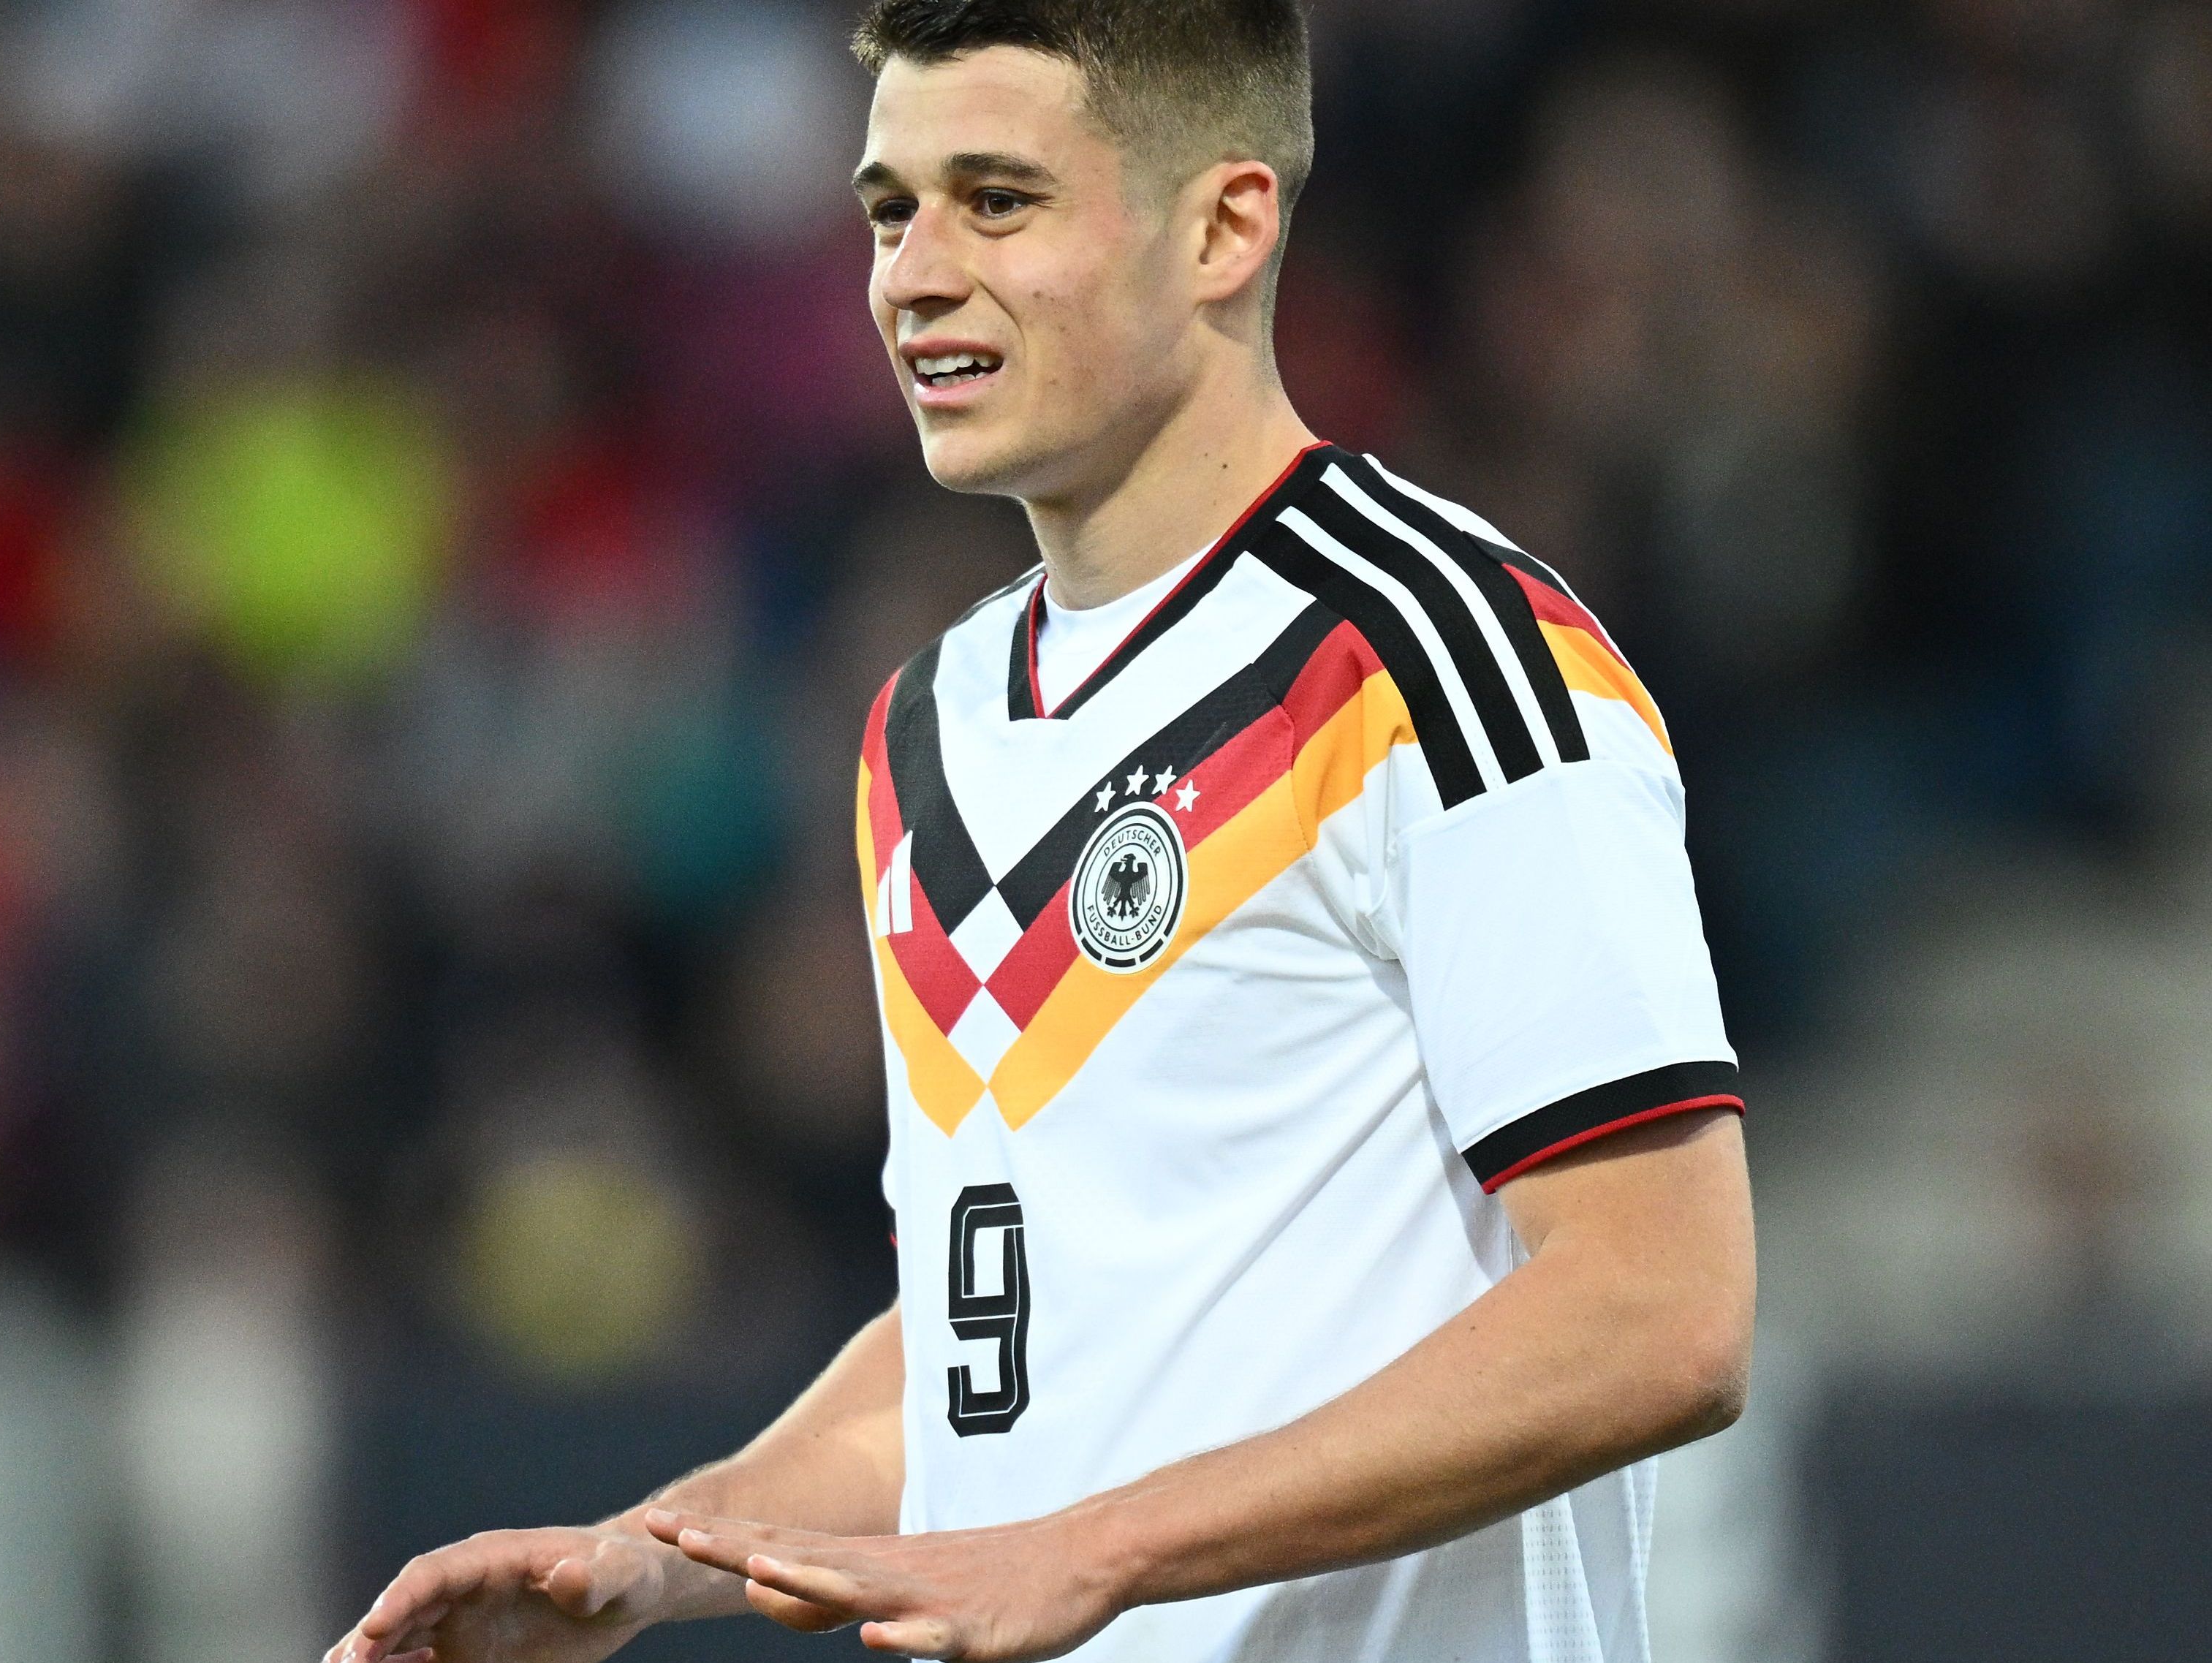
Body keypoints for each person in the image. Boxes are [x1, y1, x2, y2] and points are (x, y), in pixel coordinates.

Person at [329, 1, 1753, 1659]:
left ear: (1222, 227)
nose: (912, 277)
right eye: (889, 211)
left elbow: (1656, 1313)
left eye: (996, 202)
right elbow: (981, 1348)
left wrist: (1098, 1552)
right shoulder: (922, 729)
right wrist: (652, 1554)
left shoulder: (1439, 660)